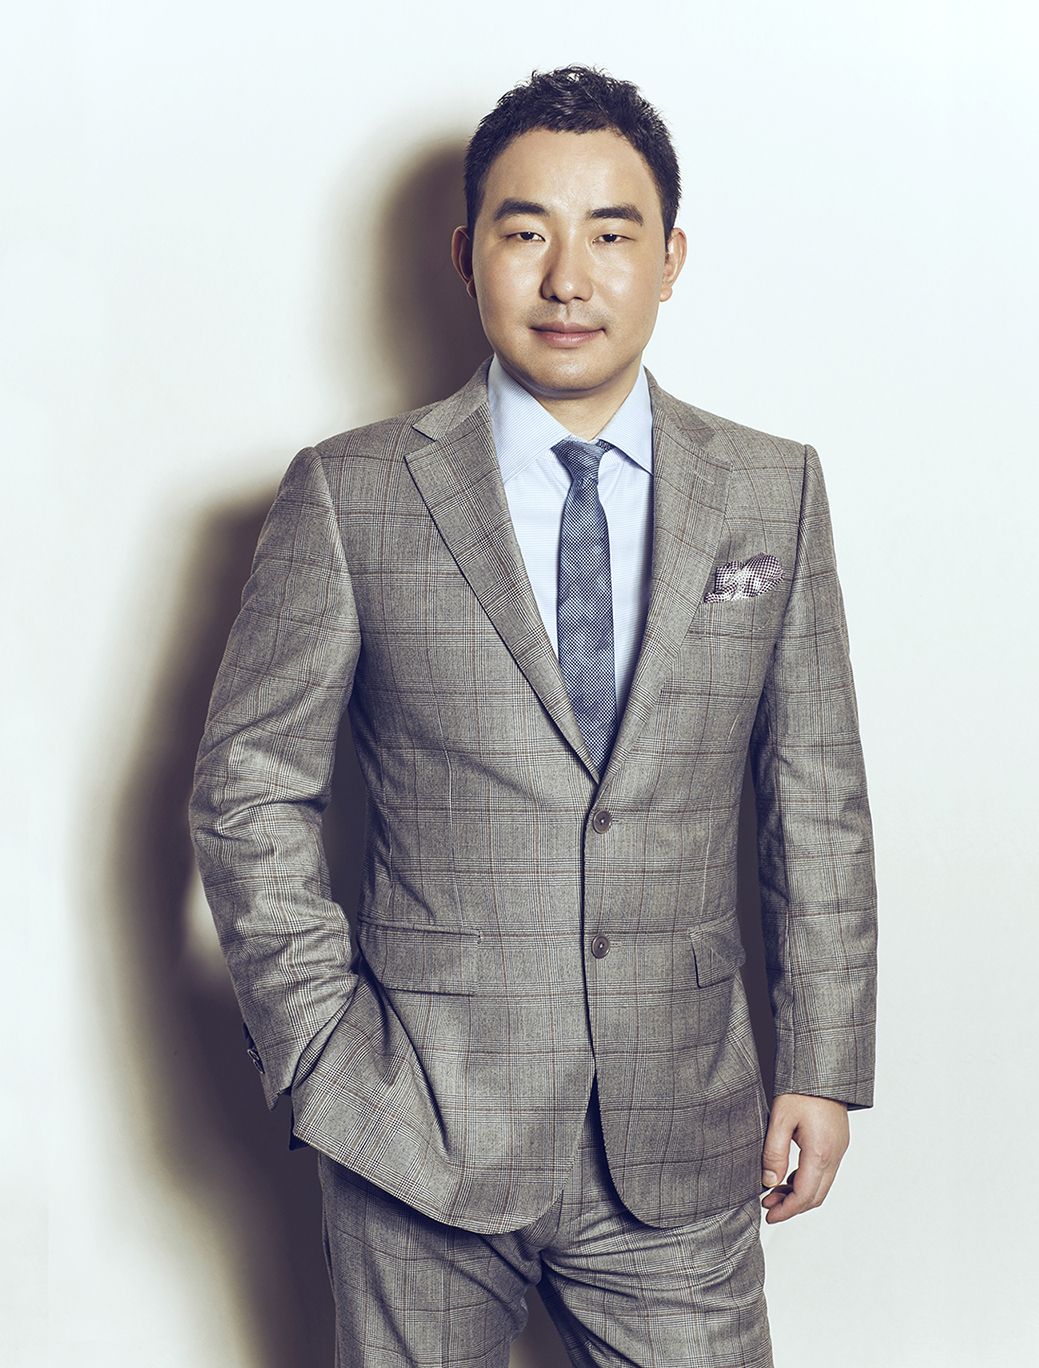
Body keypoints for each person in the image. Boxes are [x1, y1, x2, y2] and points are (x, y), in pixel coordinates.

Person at [190, 65, 876, 1368]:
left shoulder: (769, 491)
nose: (568, 279)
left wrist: (824, 1061)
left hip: (684, 1127)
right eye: (526, 233)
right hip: (415, 1123)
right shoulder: (351, 496)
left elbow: (817, 798)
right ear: (467, 257)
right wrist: (323, 1051)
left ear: (669, 260)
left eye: (611, 234)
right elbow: (250, 787)